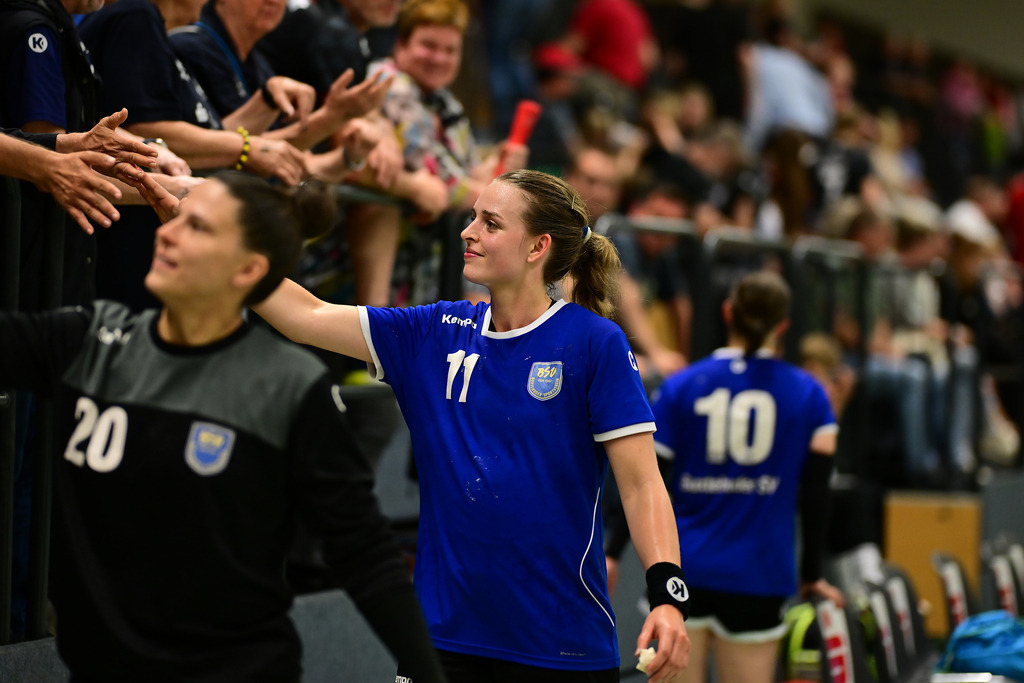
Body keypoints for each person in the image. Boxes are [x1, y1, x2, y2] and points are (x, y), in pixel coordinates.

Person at [0, 170, 449, 682]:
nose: (166, 232)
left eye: (197, 228)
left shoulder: (287, 386)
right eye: (174, 221)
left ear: (248, 269)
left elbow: (364, 553)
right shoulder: (87, 342)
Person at [253, 169, 691, 682]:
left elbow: (641, 485)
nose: (468, 231)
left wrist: (667, 595)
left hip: (560, 643)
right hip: (442, 642)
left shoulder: (596, 343)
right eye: (472, 217)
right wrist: (224, 249)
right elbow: (304, 315)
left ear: (537, 248)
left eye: (490, 223)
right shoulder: (431, 332)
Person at [648, 270, 843, 683]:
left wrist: (614, 550)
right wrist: (812, 573)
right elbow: (816, 495)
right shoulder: (810, 394)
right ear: (784, 325)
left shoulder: (681, 386)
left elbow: (648, 486)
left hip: (683, 571)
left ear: (727, 313)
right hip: (760, 574)